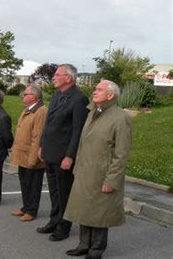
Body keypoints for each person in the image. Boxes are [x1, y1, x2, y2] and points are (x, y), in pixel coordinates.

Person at [64, 80, 132, 259]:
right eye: (95, 89)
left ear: (110, 95)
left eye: (99, 89)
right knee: (84, 210)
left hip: (102, 174)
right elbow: (83, 143)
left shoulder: (120, 117)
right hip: (85, 172)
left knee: (100, 214)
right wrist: (77, 167)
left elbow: (121, 153)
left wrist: (111, 180)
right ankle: (83, 245)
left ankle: (96, 251)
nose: (94, 91)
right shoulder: (93, 111)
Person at [37, 64, 89, 242]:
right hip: (50, 152)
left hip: (63, 156)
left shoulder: (79, 99)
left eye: (57, 75)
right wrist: (42, 145)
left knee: (64, 192)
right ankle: (54, 220)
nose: (54, 78)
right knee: (54, 191)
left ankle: (64, 227)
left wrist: (70, 156)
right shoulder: (56, 96)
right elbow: (49, 124)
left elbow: (78, 130)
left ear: (68, 78)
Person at [10, 84, 47, 222]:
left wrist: (33, 159)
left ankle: (32, 210)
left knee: (33, 185)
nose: (23, 96)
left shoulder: (41, 111)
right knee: (24, 183)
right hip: (22, 155)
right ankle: (26, 207)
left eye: (25, 94)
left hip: (32, 156)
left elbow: (38, 136)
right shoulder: (27, 110)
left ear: (34, 97)